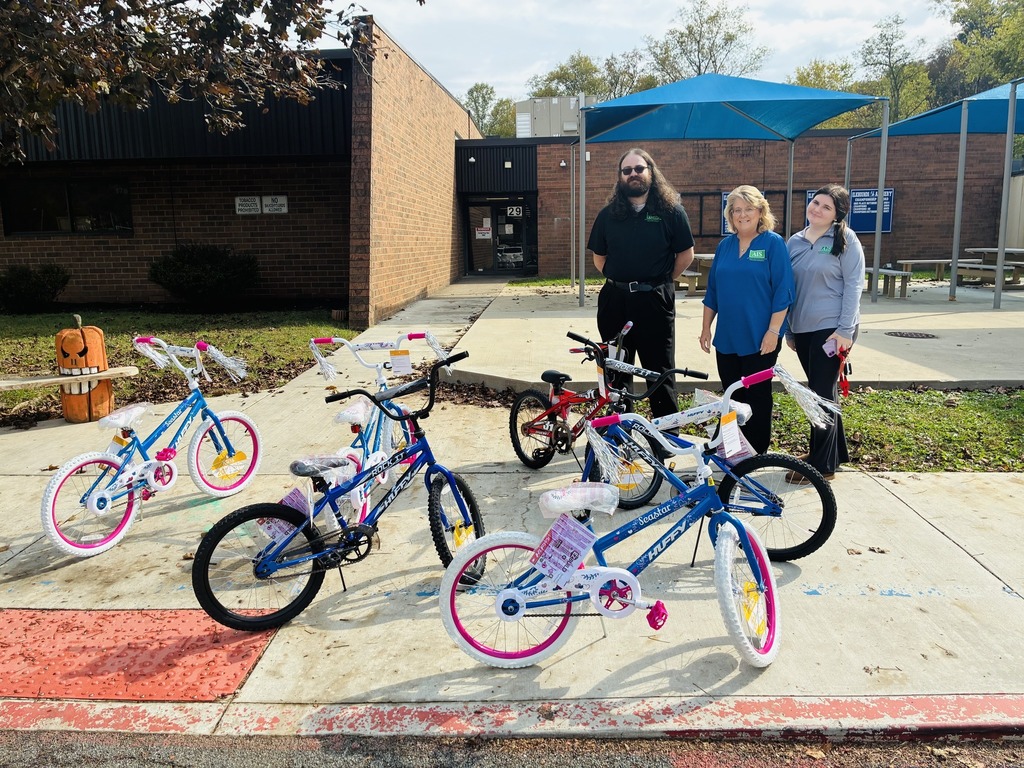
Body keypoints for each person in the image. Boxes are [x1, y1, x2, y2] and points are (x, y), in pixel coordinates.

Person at [587, 148, 695, 418]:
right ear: (620, 177)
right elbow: (599, 258)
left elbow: (686, 255)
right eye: (627, 170)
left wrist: (660, 280)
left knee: (659, 371)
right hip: (616, 302)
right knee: (616, 369)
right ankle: (621, 430)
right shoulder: (608, 214)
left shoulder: (671, 211)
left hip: (654, 302)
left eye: (639, 168)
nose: (633, 174)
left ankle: (667, 437)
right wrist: (621, 281)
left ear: (650, 171)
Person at [699, 185, 793, 454]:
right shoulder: (725, 246)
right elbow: (713, 291)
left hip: (760, 337)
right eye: (736, 210)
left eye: (748, 209)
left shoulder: (773, 244)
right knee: (731, 397)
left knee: (757, 397)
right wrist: (706, 327)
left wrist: (774, 331)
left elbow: (783, 291)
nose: (742, 215)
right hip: (727, 337)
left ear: (760, 211)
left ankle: (755, 454)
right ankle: (730, 451)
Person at [785, 183, 865, 481]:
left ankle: (821, 466)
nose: (817, 209)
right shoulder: (793, 242)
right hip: (803, 328)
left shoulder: (845, 239)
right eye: (815, 202)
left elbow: (854, 285)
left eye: (826, 207)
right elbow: (789, 288)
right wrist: (790, 330)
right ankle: (835, 453)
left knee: (819, 395)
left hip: (833, 329)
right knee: (823, 392)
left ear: (837, 214)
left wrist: (845, 330)